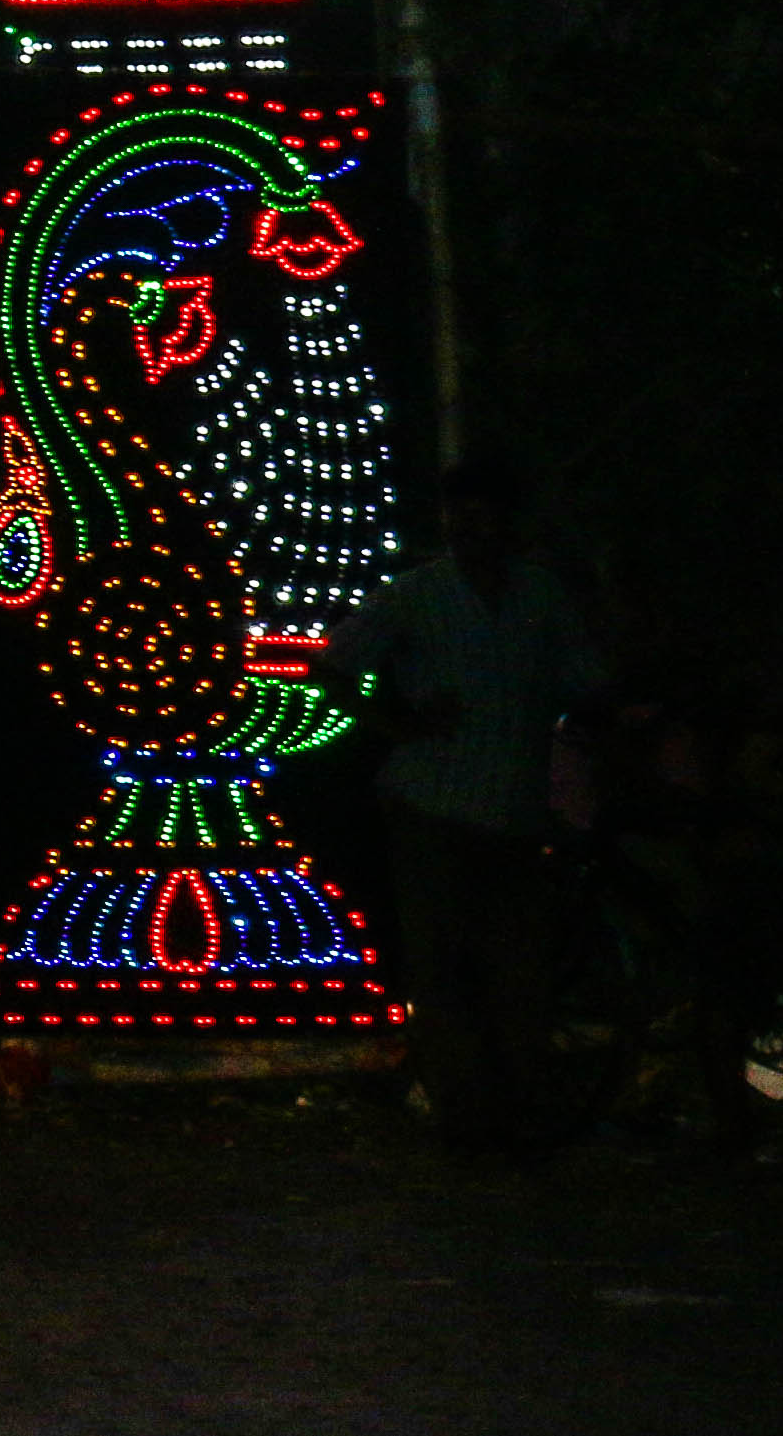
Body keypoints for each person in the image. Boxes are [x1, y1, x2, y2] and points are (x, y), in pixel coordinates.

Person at [333, 462, 604, 1151]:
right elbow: (334, 665)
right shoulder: (417, 593)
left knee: (517, 970)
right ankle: (468, 1120)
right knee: (445, 971)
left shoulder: (538, 593)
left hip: (513, 810)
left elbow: (586, 679)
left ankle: (515, 1112)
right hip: (434, 804)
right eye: (458, 516)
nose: (467, 530)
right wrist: (398, 723)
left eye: (481, 515)